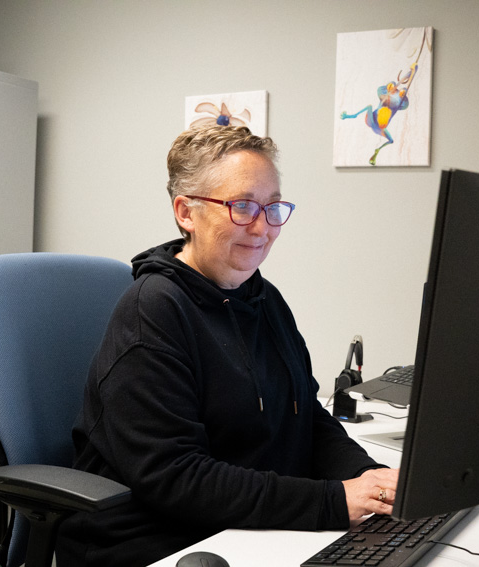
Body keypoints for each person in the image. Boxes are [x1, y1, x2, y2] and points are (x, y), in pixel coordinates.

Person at [56, 124, 399, 566]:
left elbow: (306, 420)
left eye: (272, 207)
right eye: (242, 207)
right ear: (186, 212)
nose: (262, 227)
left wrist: (367, 478)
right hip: (160, 538)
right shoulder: (153, 311)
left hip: (245, 524)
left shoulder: (263, 298)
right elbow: (176, 477)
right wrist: (332, 501)